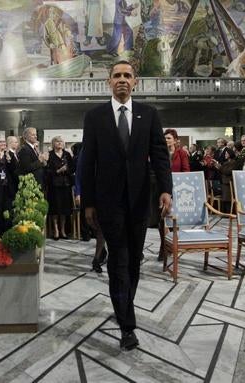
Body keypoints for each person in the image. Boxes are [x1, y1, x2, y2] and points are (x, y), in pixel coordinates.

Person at [81, 60, 172, 351]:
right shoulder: (95, 116)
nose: (122, 80)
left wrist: (166, 190)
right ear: (109, 81)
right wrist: (88, 201)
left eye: (127, 75)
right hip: (108, 202)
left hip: (139, 201)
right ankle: (127, 326)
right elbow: (87, 162)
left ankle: (123, 305)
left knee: (133, 262)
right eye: (117, 75)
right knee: (119, 261)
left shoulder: (148, 114)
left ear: (136, 82)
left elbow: (160, 156)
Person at [74, 144, 107, 272]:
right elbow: (80, 171)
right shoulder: (87, 148)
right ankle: (99, 254)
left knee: (104, 228)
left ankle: (97, 257)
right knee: (97, 226)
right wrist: (78, 192)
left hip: (112, 194)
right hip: (94, 193)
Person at [47, 136, 75, 240]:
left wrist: (66, 170)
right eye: (57, 141)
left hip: (66, 184)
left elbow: (72, 168)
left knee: (64, 208)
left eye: (61, 141)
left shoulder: (67, 154)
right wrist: (58, 171)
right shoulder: (50, 155)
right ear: (53, 143)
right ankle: (56, 230)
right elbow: (47, 171)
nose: (60, 143)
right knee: (55, 208)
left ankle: (63, 230)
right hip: (54, 185)